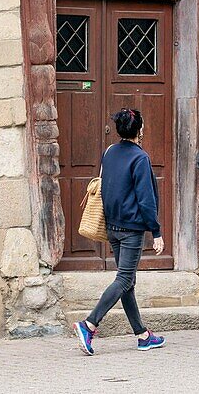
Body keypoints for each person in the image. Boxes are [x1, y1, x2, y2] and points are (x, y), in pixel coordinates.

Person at [73, 107, 166, 355]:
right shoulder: (140, 158)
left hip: (112, 227)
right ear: (140, 130)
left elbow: (107, 186)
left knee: (128, 283)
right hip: (131, 229)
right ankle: (89, 324)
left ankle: (143, 335)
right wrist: (156, 232)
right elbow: (146, 200)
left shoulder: (109, 152)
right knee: (124, 279)